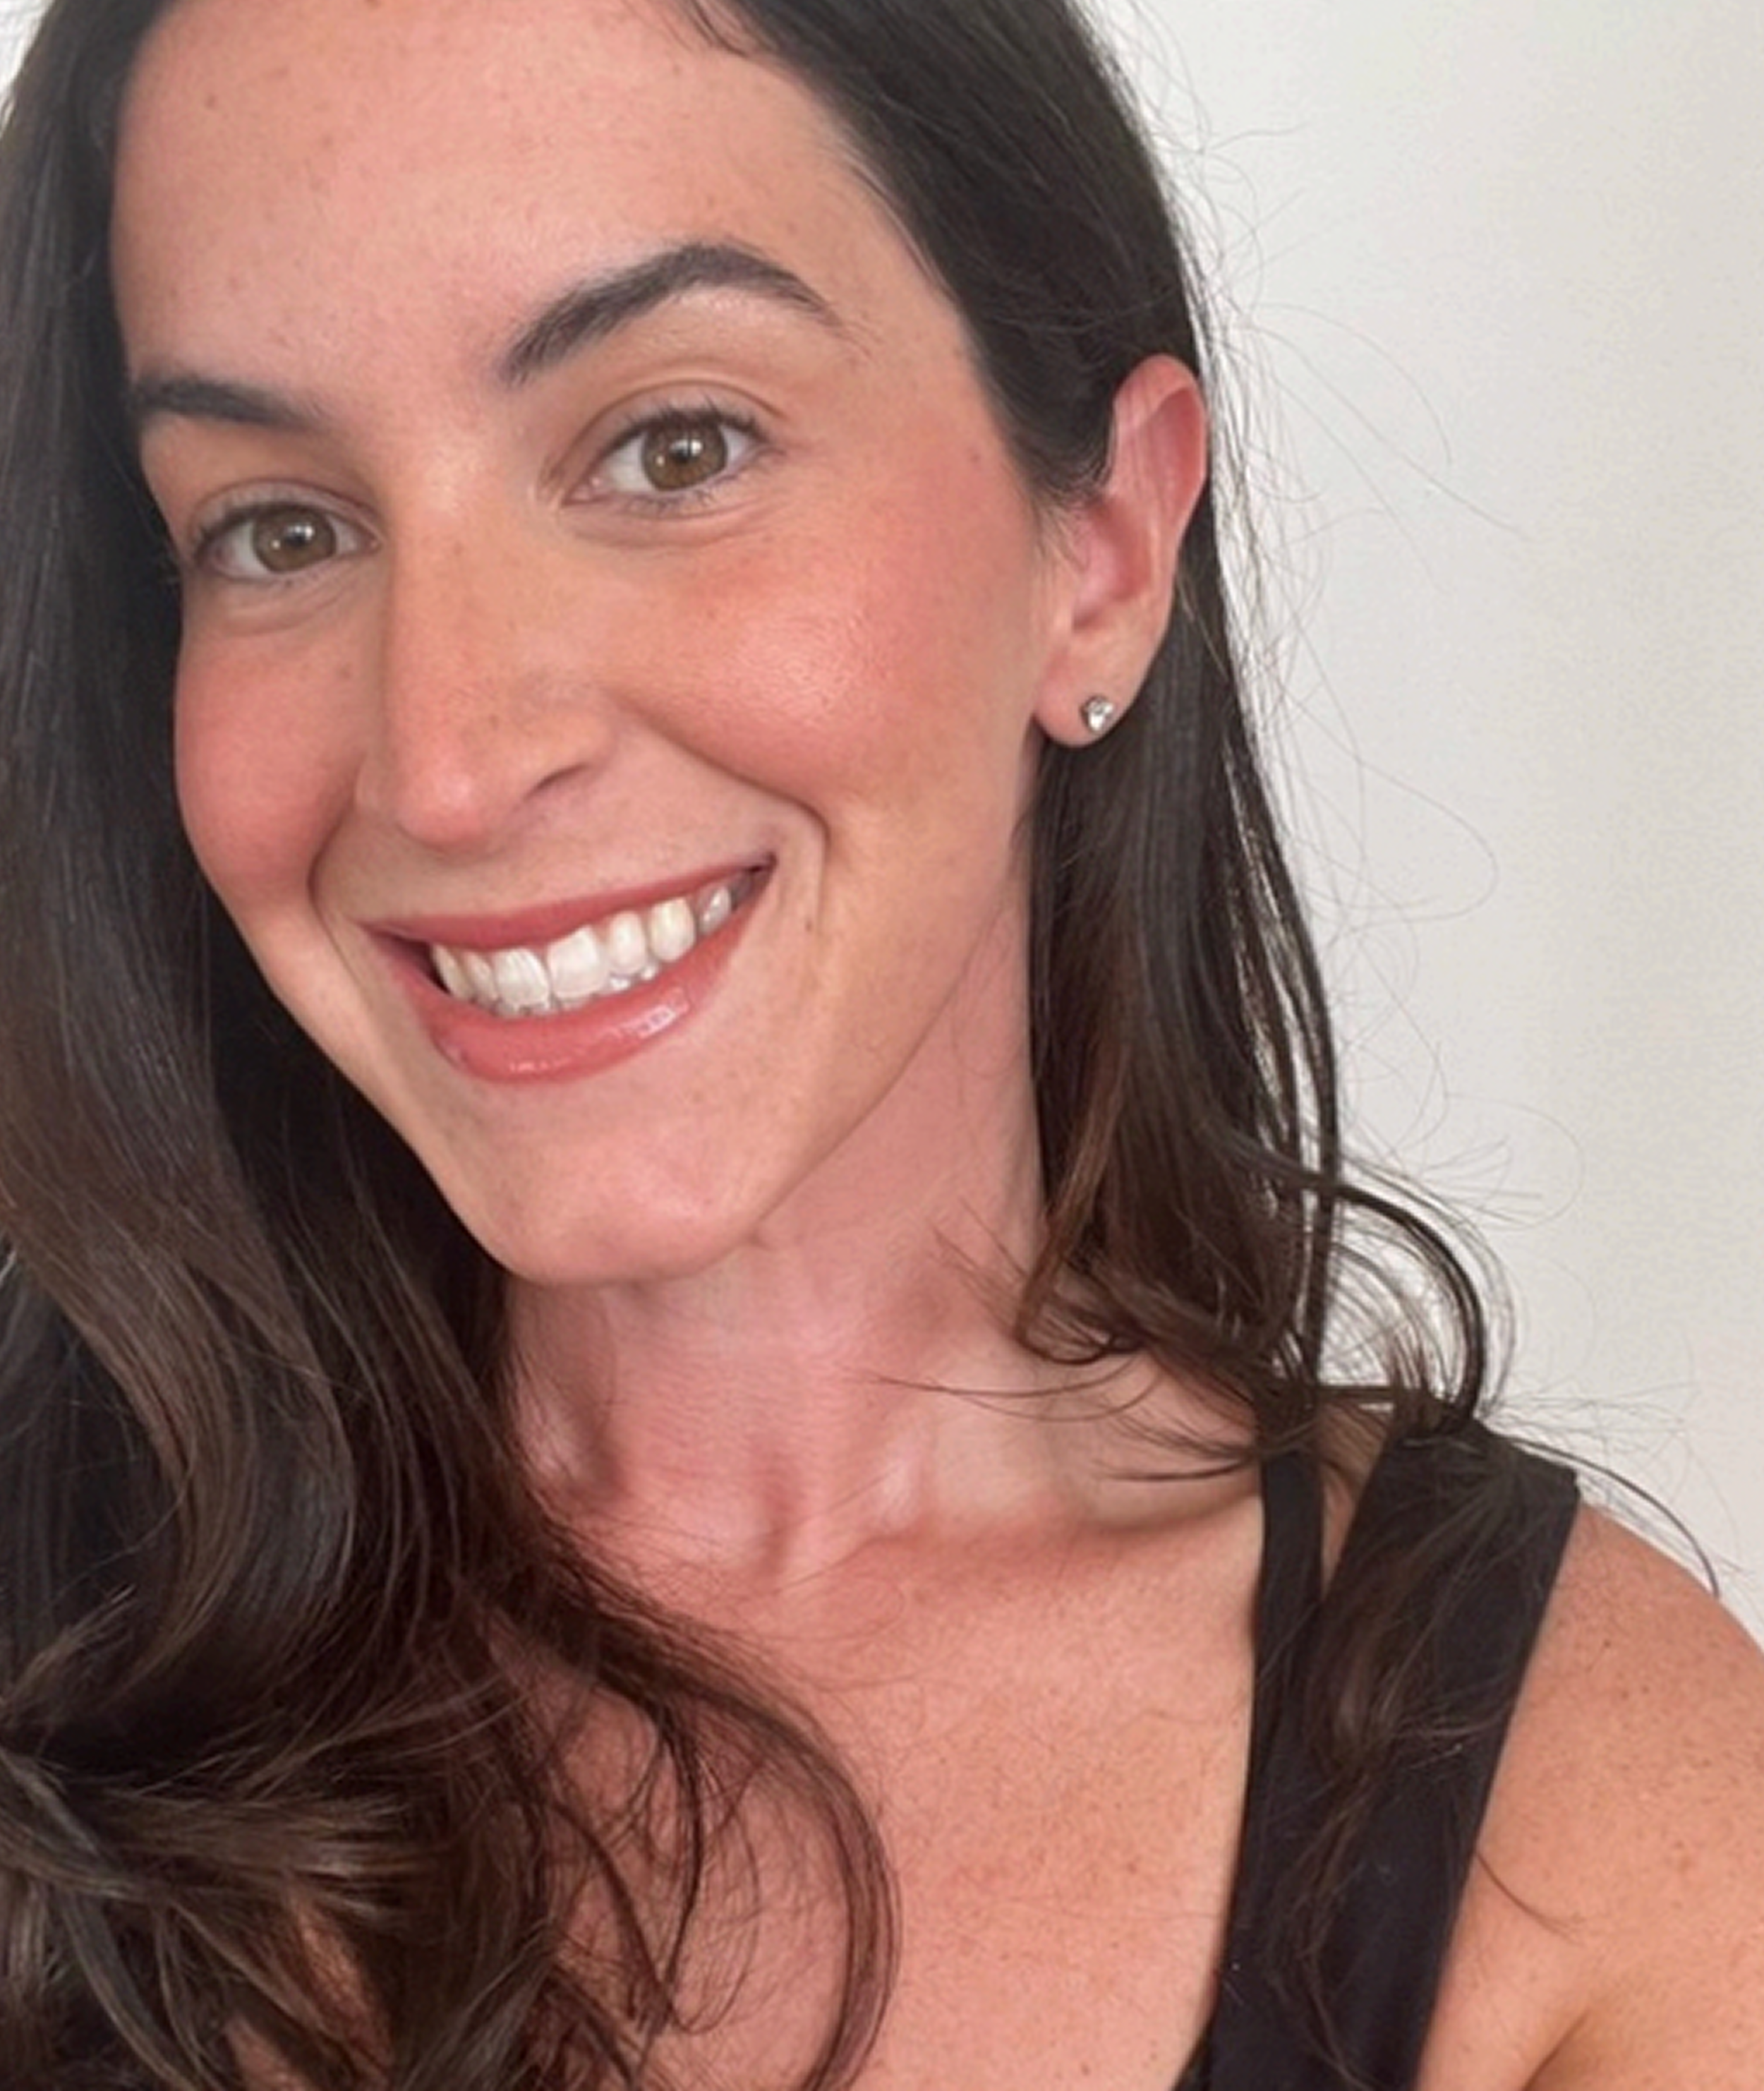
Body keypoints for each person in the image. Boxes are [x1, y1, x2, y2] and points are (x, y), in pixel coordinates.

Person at [0, 0, 1760, 2085]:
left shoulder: (1593, 1819)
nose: (449, 760)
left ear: (1100, 549)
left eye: (675, 447)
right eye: (278, 528)